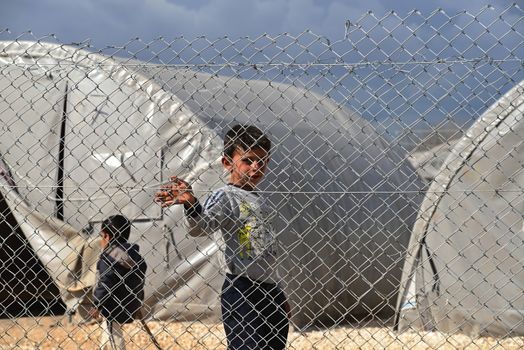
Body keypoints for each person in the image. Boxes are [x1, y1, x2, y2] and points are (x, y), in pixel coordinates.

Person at [155, 124, 290, 349]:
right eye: (248, 160)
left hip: (269, 289)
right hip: (243, 288)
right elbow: (201, 226)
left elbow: (267, 252)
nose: (256, 167)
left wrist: (278, 291)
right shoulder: (225, 196)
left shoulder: (259, 200)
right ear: (228, 162)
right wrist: (191, 203)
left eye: (262, 161)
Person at [90, 215, 147, 350]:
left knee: (113, 335)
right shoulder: (135, 256)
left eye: (102, 236)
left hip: (112, 306)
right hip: (131, 301)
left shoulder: (108, 258)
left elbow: (105, 283)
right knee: (108, 332)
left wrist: (97, 304)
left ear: (107, 237)